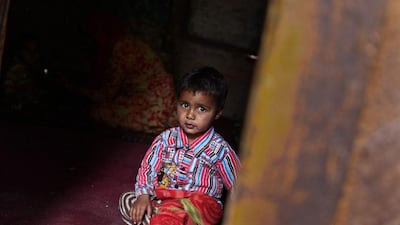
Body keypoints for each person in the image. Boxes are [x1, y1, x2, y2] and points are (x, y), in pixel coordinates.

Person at [119, 66, 241, 225]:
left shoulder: (220, 150)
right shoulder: (166, 139)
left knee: (188, 212)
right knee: (128, 200)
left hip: (198, 205)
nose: (190, 115)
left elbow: (239, 186)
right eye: (185, 105)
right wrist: (143, 197)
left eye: (201, 109)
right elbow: (148, 168)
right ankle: (158, 217)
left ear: (217, 113)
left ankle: (163, 219)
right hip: (164, 198)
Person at [64, 12, 177, 133]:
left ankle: (153, 123)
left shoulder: (120, 53)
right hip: (161, 99)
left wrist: (71, 87)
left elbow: (105, 95)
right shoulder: (125, 43)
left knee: (97, 112)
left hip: (152, 104)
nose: (88, 44)